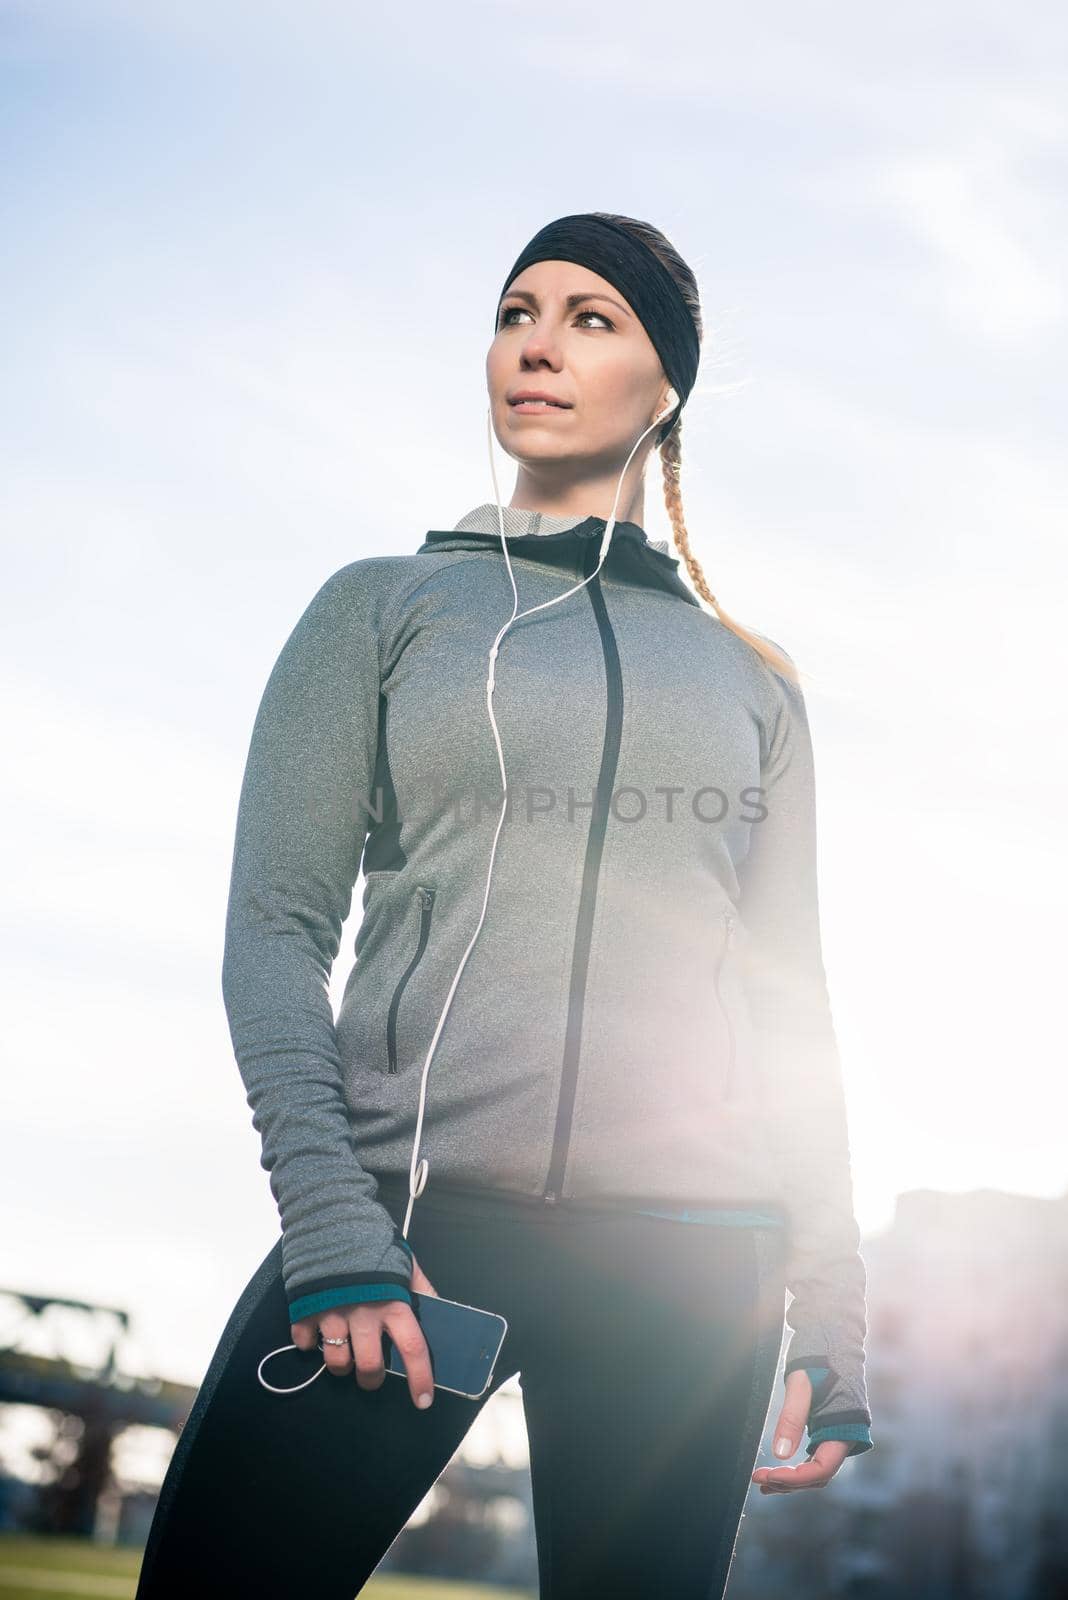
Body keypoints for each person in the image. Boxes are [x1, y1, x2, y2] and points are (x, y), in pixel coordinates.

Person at [135, 211, 873, 1600]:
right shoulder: (383, 608)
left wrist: (828, 1299)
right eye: (516, 310)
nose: (537, 343)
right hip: (414, 1240)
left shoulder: (753, 683)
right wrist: (337, 1234)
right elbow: (274, 936)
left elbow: (794, 1004)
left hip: (692, 1274)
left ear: (669, 390)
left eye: (592, 318)